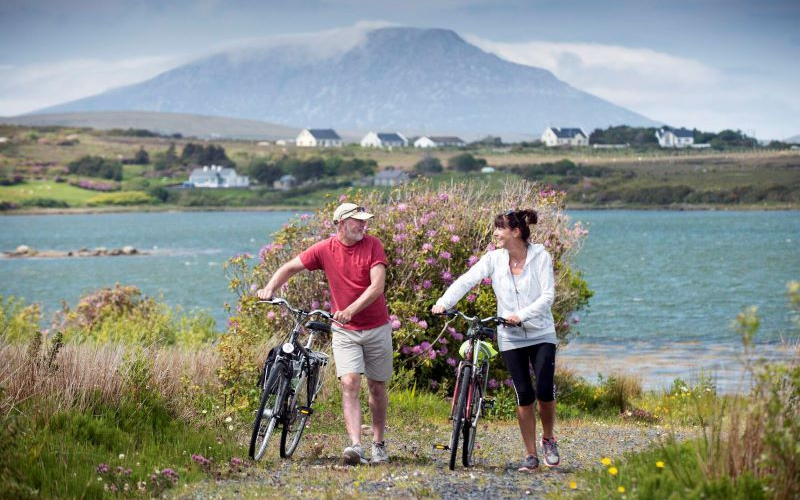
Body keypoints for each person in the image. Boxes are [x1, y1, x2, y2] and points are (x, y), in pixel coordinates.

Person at [257, 202, 392, 466]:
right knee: (349, 382)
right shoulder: (325, 249)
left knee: (376, 387)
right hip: (345, 331)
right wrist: (269, 288)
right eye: (358, 221)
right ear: (341, 223)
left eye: (365, 221)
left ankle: (378, 444)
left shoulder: (373, 244)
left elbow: (377, 286)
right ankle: (356, 445)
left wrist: (351, 309)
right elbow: (290, 267)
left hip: (376, 326)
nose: (364, 225)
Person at [431, 209, 560, 472]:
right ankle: (531, 455)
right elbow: (467, 280)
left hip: (541, 332)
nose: (495, 234)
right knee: (524, 394)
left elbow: (547, 297)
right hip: (510, 336)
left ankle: (548, 438)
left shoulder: (540, 257)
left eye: (500, 229)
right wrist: (444, 302)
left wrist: (520, 315)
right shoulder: (494, 259)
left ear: (515, 231)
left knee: (544, 390)